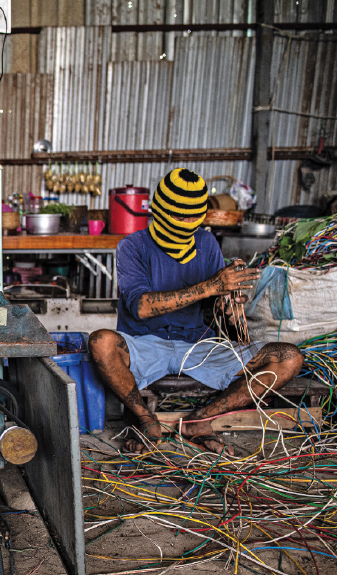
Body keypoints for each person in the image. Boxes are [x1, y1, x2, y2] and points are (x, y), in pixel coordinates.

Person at [89, 168, 304, 454]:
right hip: (145, 344)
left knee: (289, 357)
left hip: (199, 346)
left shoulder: (206, 243)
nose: (189, 223)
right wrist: (212, 286)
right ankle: (144, 418)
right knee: (100, 342)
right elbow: (141, 307)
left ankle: (202, 419)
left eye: (195, 216)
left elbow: (224, 321)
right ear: (161, 211)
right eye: (181, 216)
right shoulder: (133, 246)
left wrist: (228, 309)